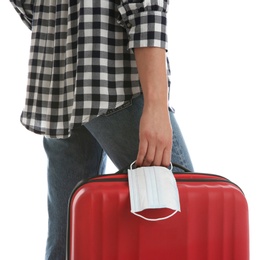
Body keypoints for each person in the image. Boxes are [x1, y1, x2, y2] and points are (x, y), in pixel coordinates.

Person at [10, 0, 193, 259]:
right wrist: (155, 105)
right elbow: (145, 7)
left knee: (68, 243)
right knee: (189, 221)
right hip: (114, 78)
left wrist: (60, 27)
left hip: (58, 80)